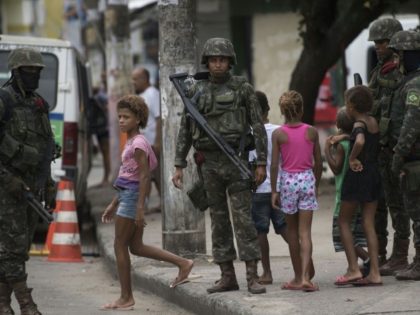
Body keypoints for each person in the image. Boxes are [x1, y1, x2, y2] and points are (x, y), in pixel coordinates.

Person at [172, 37, 268, 294]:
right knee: (218, 220)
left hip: (235, 161)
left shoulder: (242, 88)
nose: (217, 64)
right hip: (209, 163)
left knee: (243, 220)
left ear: (230, 62)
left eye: (222, 60)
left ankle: (252, 277)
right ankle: (227, 276)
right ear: (207, 62)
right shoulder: (195, 91)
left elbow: (257, 125)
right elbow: (185, 128)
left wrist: (261, 162)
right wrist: (178, 163)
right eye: (213, 60)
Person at [101, 95, 194, 310]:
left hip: (133, 199)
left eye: (126, 117)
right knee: (136, 246)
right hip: (127, 196)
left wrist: (140, 209)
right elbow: (128, 176)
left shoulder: (140, 143)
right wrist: (113, 203)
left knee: (120, 245)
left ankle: (126, 297)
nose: (121, 121)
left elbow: (144, 177)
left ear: (138, 119)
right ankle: (183, 263)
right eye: (120, 117)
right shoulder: (132, 142)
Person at [0, 48, 56, 315]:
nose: (33, 75)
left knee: (19, 248)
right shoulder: (3, 101)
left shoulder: (39, 105)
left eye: (37, 71)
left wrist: (49, 184)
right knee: (12, 247)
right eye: (28, 71)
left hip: (32, 188)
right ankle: (26, 304)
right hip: (7, 188)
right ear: (16, 72)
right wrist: (6, 178)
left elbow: (46, 150)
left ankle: (2, 303)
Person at [367, 18, 410, 274]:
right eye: (376, 43)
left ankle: (400, 255)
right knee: (380, 205)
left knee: (398, 205)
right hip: (378, 146)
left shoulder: (401, 72)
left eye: (382, 42)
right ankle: (380, 254)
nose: (379, 47)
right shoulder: (379, 70)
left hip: (394, 146)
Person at [271, 90, 322, 292]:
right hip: (307, 179)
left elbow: (275, 165)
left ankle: (297, 277)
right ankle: (307, 278)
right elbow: (318, 162)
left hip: (288, 183)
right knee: (305, 232)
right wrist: (315, 184)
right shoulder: (312, 131)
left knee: (292, 232)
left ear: (282, 111)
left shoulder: (278, 134)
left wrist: (275, 190)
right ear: (301, 109)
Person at [337, 85, 382, 286]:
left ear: (352, 106)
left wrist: (353, 157)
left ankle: (353, 269)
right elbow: (365, 137)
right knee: (368, 224)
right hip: (373, 174)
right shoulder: (373, 121)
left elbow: (360, 140)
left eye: (347, 103)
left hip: (358, 175)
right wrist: (346, 137)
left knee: (344, 221)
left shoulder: (357, 124)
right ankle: (375, 272)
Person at [324, 109, 370, 284]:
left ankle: (365, 261)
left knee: (343, 233)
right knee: (354, 232)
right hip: (358, 193)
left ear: (337, 126)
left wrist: (327, 150)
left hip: (344, 194)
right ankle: (359, 264)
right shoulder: (355, 141)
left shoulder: (342, 146)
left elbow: (336, 169)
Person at [389, 30, 420, 280]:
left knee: (417, 213)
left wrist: (398, 156)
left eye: (399, 55)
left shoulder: (414, 85)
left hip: (414, 160)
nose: (396, 61)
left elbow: (411, 124)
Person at [250, 91, 287, 285]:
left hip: (258, 190)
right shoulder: (280, 131)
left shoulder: (248, 134)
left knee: (260, 231)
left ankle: (267, 273)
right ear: (268, 109)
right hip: (280, 188)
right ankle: (305, 264)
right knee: (285, 228)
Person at [132, 67, 161, 212]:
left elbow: (159, 118)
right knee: (151, 175)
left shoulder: (153, 94)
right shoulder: (143, 95)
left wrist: (157, 141)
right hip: (144, 143)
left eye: (136, 79)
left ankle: (144, 206)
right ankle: (158, 204)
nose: (133, 82)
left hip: (152, 143)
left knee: (148, 175)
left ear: (145, 79)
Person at [88, 73, 111, 188]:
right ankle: (107, 177)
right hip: (102, 127)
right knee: (105, 153)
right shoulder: (101, 92)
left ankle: (108, 177)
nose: (104, 80)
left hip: (108, 127)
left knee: (107, 154)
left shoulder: (110, 92)